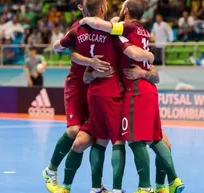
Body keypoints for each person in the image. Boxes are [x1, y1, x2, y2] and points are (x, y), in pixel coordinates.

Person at [80, 1, 184, 193]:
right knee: (156, 139)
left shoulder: (121, 32)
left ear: (126, 11)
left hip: (134, 92)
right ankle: (171, 182)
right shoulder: (142, 31)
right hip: (145, 90)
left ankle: (145, 187)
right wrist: (149, 60)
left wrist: (85, 18)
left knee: (134, 139)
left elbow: (116, 34)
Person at [52, 0, 155, 193]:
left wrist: (89, 64)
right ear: (103, 8)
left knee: (92, 139)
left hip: (92, 90)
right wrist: (149, 56)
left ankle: (79, 186)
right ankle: (117, 189)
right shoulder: (113, 33)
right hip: (112, 92)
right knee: (118, 140)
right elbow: (133, 52)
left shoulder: (78, 31)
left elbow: (60, 49)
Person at [42, 0, 114, 193]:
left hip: (98, 87)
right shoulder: (77, 28)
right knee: (74, 131)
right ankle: (50, 170)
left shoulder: (109, 28)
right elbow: (66, 51)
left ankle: (97, 186)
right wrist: (91, 61)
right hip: (77, 84)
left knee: (96, 137)